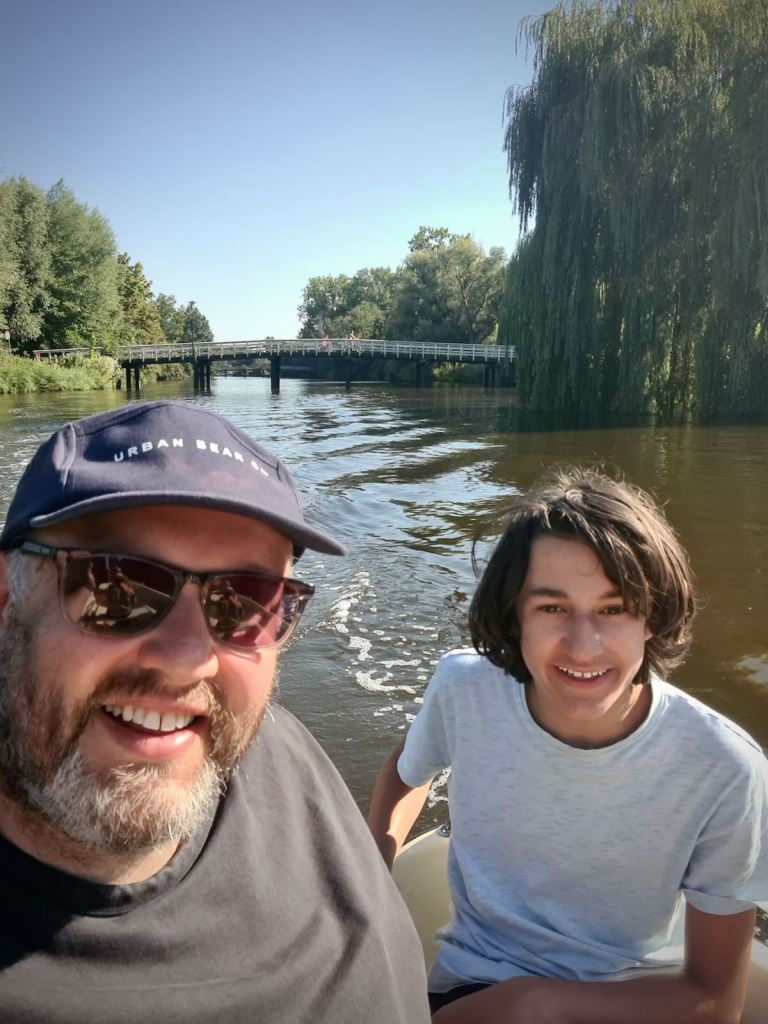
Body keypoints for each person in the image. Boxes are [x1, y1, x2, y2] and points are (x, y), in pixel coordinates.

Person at [0, 399, 430, 1024]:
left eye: (245, 602)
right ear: (7, 596)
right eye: (117, 586)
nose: (189, 659)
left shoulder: (277, 746)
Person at [368, 466, 768, 1024]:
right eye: (553, 607)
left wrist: (536, 1002)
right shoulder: (464, 689)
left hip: (639, 1003)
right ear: (515, 616)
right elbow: (408, 772)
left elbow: (715, 1002)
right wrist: (368, 877)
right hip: (479, 984)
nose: (584, 647)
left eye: (614, 608)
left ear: (652, 619)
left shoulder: (726, 769)